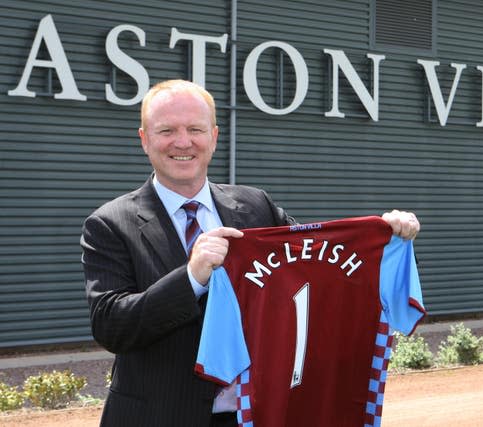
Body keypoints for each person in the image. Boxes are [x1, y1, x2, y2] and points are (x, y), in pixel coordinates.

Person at [81, 79, 420, 427]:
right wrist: (191, 278)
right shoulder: (110, 224)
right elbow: (111, 326)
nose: (183, 142)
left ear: (213, 137)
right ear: (145, 139)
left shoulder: (255, 206)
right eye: (167, 130)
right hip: (157, 417)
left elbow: (321, 268)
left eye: (195, 129)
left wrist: (386, 240)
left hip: (254, 416)